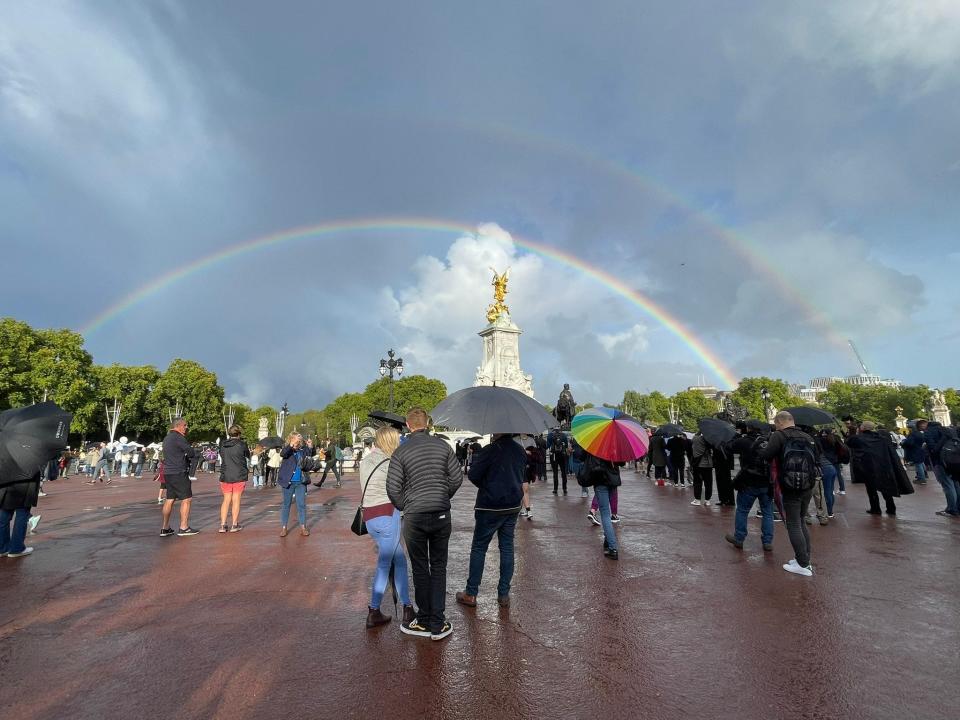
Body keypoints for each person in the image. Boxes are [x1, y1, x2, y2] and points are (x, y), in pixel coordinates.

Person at [386, 407, 463, 641]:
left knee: (420, 566)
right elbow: (457, 477)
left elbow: (392, 487)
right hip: (440, 512)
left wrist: (405, 505)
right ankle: (438, 622)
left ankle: (426, 617)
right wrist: (442, 496)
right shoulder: (443, 446)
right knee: (439, 566)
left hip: (415, 515)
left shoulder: (401, 451)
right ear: (428, 424)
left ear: (409, 426)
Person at [456, 433, 525, 609]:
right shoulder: (519, 450)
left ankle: (471, 593)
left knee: (479, 548)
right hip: (512, 504)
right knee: (507, 548)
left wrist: (488, 485)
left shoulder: (490, 450)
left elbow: (473, 475)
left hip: (489, 505)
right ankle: (503, 594)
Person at [359, 426, 414, 629]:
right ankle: (374, 609)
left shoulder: (366, 461)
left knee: (399, 559)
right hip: (387, 513)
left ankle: (407, 605)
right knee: (385, 563)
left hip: (369, 516)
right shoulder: (392, 463)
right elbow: (399, 489)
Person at [760, 411, 819, 577]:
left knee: (793, 523)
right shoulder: (807, 437)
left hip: (789, 483)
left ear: (779, 422)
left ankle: (803, 564)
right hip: (808, 483)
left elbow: (766, 456)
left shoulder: (779, 436)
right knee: (801, 520)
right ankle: (804, 557)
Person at [724, 420, 774, 551]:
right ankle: (767, 541)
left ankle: (739, 538)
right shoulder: (767, 442)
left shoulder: (744, 441)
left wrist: (736, 435)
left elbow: (728, 447)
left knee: (742, 510)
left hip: (748, 481)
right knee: (767, 513)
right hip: (766, 482)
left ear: (748, 429)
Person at [847, 421, 914, 516]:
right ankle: (891, 507)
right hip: (882, 466)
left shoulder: (859, 438)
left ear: (863, 428)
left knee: (871, 489)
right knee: (885, 487)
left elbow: (849, 442)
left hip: (868, 467)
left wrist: (852, 432)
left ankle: (875, 508)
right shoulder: (881, 438)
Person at [578, 450, 623, 559]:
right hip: (613, 479)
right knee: (606, 514)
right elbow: (622, 462)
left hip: (600, 480)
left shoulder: (594, 444)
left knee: (605, 515)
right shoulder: (614, 443)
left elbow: (581, 457)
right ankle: (608, 542)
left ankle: (613, 547)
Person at [159, 418, 199, 537]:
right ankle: (184, 527)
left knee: (170, 499)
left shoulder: (167, 438)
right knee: (186, 499)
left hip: (168, 472)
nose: (186, 427)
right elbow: (191, 452)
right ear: (178, 426)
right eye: (185, 425)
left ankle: (165, 527)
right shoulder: (179, 438)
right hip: (178, 471)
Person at [0, 471, 41, 558]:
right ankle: (17, 548)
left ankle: (2, 548)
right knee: (22, 515)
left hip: (7, 483)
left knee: (4, 515)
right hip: (25, 484)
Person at [218, 425, 250, 533]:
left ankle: (222, 524)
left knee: (226, 499)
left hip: (225, 473)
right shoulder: (242, 444)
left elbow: (222, 456)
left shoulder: (222, 445)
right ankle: (234, 524)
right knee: (236, 499)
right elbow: (247, 455)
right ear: (239, 434)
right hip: (239, 474)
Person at [278, 432, 310, 537]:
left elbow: (310, 453)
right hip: (288, 481)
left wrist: (309, 445)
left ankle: (303, 527)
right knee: (286, 504)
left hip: (300, 482)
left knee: (301, 505)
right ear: (291, 439)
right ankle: (284, 527)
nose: (298, 442)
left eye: (299, 440)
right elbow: (282, 454)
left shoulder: (302, 450)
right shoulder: (288, 450)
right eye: (296, 439)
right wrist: (291, 445)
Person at [690, 432, 714, 506]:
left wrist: (700, 431)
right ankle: (707, 500)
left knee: (697, 482)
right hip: (709, 465)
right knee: (708, 483)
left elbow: (695, 436)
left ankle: (697, 500)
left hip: (698, 464)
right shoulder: (710, 440)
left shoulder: (696, 439)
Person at [548, 429, 569, 495]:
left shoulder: (550, 435)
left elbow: (547, 445)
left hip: (554, 455)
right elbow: (566, 446)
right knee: (563, 472)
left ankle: (555, 489)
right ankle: (564, 488)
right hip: (562, 455)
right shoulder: (564, 435)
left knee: (555, 472)